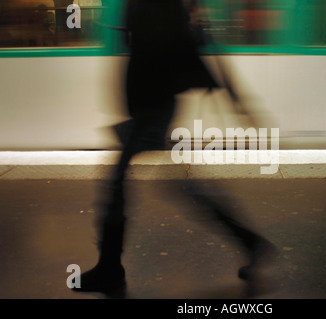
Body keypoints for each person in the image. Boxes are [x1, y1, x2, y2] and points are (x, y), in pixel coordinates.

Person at [73, 0, 276, 297]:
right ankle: (248, 241)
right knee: (178, 186)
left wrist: (236, 100)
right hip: (150, 105)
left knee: (118, 184)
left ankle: (110, 269)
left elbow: (175, 45)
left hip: (153, 106)